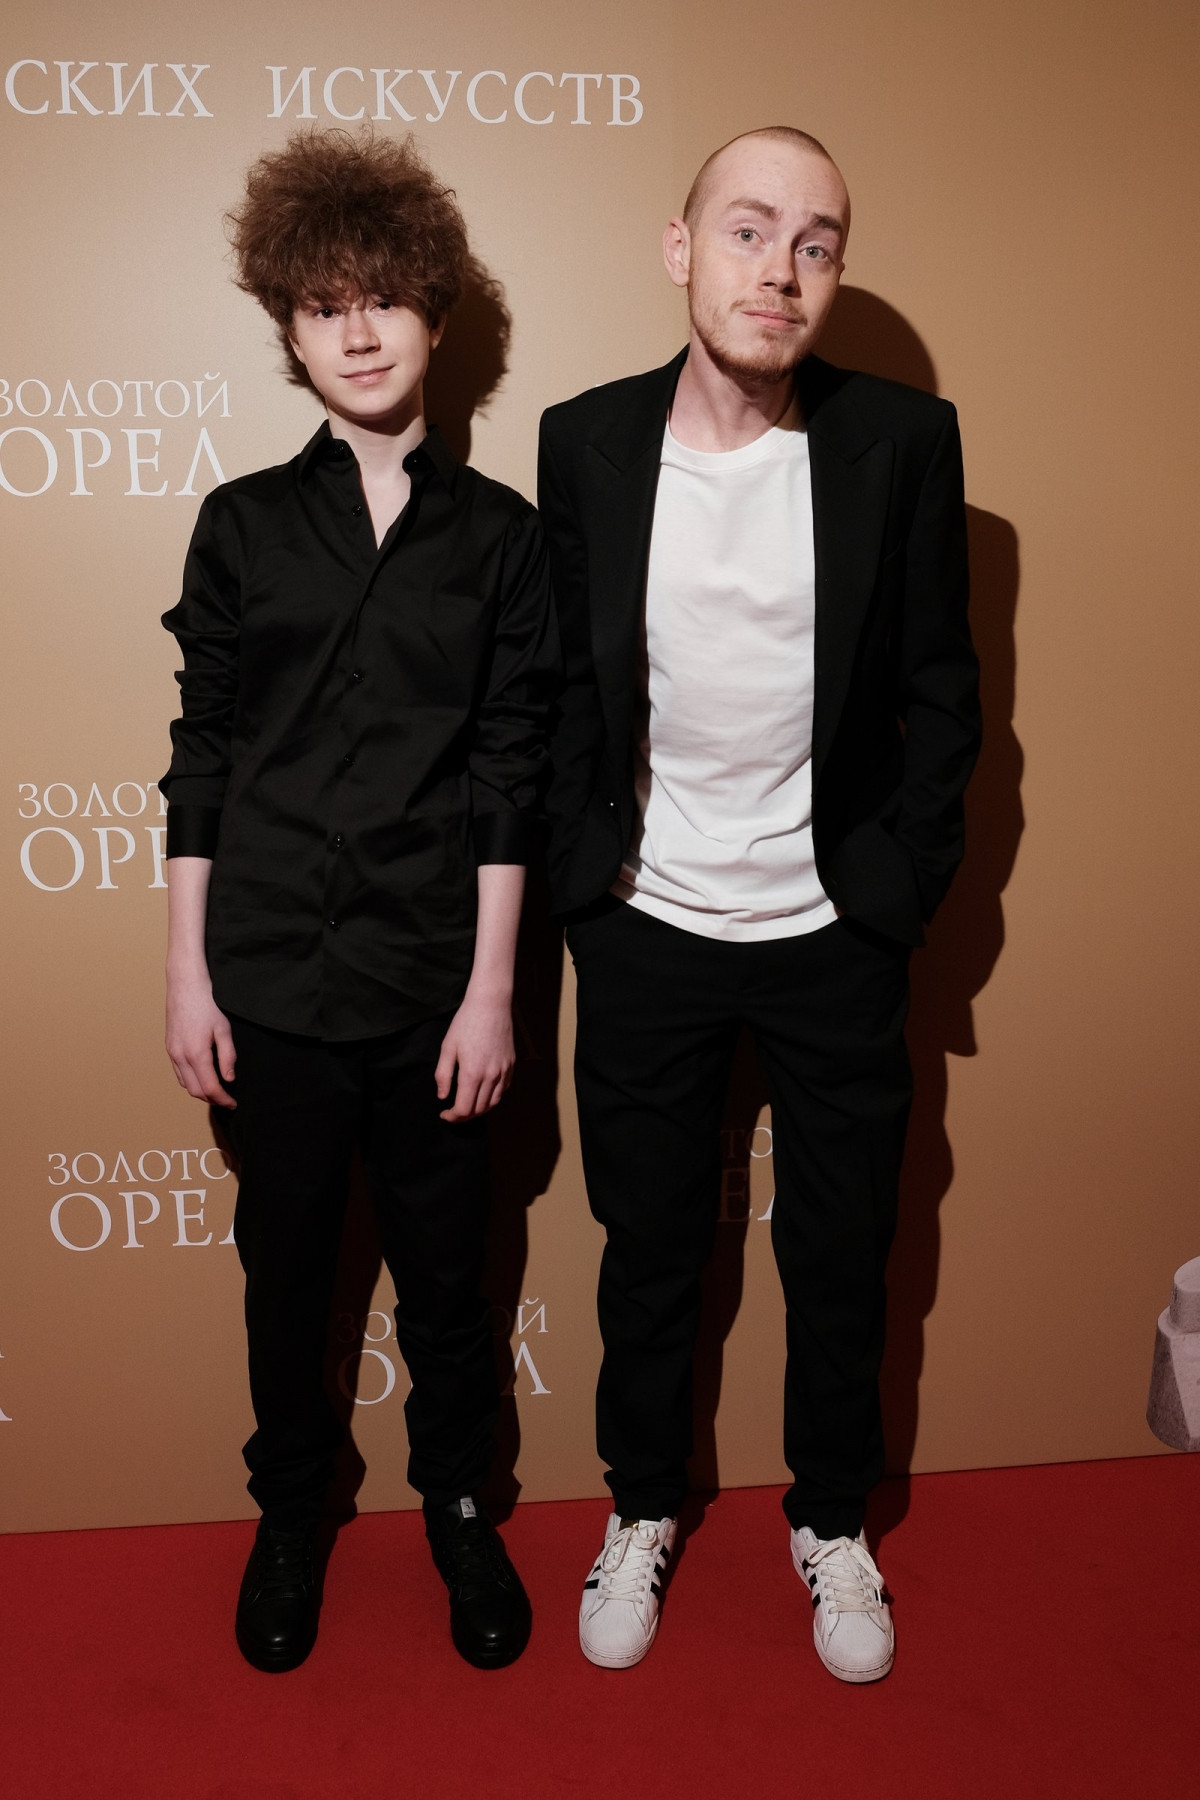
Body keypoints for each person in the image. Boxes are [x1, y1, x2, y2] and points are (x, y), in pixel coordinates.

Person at [538, 126, 980, 1682]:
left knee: (843, 1254)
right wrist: (588, 890)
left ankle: (834, 1524)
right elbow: (566, 691)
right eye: (747, 229)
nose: (779, 269)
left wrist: (897, 891)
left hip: (832, 930)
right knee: (649, 1247)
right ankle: (641, 1506)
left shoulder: (902, 443)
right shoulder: (585, 440)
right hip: (645, 922)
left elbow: (945, 693)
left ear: (835, 274)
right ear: (681, 249)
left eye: (816, 242)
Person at [160, 128, 554, 1674]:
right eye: (326, 307)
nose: (361, 332)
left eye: (384, 298)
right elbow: (202, 755)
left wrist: (494, 992)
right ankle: (291, 1516)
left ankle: (460, 1510)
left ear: (436, 314)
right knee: (288, 1280)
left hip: (438, 978)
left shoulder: (506, 538)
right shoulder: (243, 526)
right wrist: (187, 972)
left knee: (452, 1285)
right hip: (268, 976)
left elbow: (511, 773)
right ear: (290, 329)